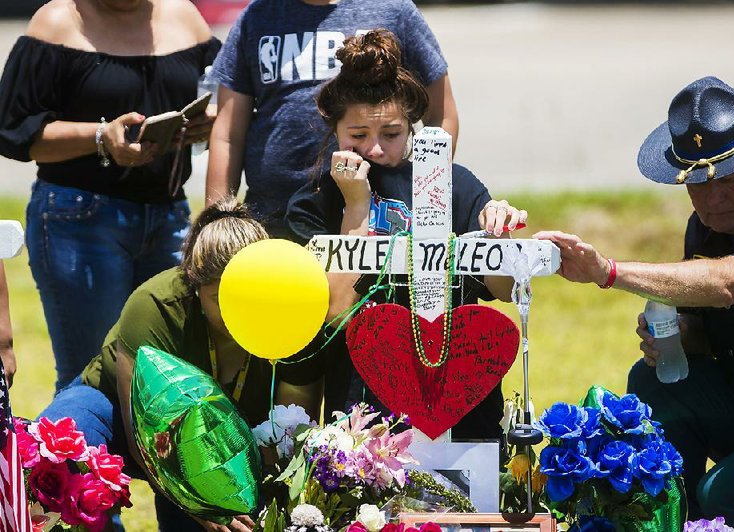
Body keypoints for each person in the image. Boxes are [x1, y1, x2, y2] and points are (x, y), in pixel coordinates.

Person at [534, 76, 734, 529]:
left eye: (729, 181)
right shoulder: (704, 227)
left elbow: (730, 284)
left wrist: (607, 272)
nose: (713, 199)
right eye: (697, 183)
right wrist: (677, 334)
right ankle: (669, 516)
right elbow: (707, 324)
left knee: (726, 492)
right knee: (655, 379)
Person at [283, 29, 525, 440]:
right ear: (335, 131)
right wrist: (357, 206)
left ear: (411, 127)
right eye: (358, 136)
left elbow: (501, 289)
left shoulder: (454, 184)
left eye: (391, 134)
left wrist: (499, 240)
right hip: (363, 405)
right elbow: (336, 311)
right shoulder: (318, 200)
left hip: (460, 396)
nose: (375, 150)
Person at [0, 0, 221, 392]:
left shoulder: (184, 15)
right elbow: (14, 131)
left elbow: (224, 92)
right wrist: (100, 137)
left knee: (171, 379)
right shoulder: (56, 22)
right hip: (79, 221)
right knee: (92, 376)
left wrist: (207, 123)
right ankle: (85, 456)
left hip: (170, 215)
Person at [39, 198, 280, 531]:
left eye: (242, 296)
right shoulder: (156, 303)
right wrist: (198, 509)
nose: (231, 310)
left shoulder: (285, 311)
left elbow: (289, 437)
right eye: (218, 298)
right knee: (55, 456)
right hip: (124, 419)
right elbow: (142, 436)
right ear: (195, 287)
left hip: (217, 449)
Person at [205, 0, 458, 238]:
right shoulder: (257, 16)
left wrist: (422, 203)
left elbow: (441, 117)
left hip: (379, 218)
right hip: (272, 217)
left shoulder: (393, 9)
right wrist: (214, 223)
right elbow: (228, 135)